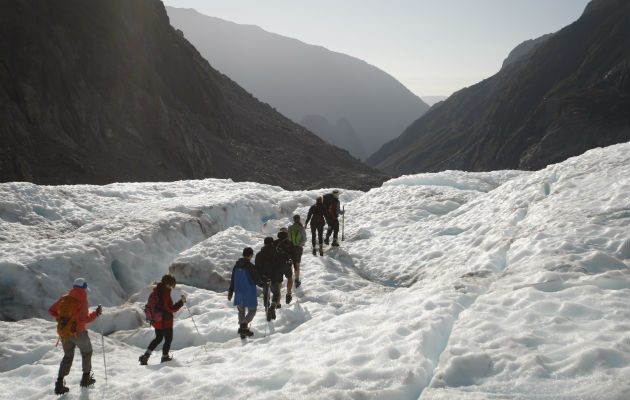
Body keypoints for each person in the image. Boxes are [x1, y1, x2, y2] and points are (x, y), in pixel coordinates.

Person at [49, 277, 103, 395]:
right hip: (79, 333)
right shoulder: (82, 300)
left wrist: (62, 320)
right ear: (84, 288)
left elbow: (51, 310)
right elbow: (84, 320)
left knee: (68, 356)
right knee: (87, 352)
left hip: (64, 333)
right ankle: (85, 380)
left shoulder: (65, 298)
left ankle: (59, 384)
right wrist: (96, 314)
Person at [139, 274, 186, 365]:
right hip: (165, 321)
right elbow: (171, 308)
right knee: (168, 339)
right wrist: (181, 303)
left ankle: (146, 356)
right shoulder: (165, 293)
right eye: (171, 285)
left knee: (158, 338)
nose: (172, 287)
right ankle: (164, 357)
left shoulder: (156, 292)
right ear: (168, 284)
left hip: (156, 321)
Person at [228, 247, 260, 338]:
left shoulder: (236, 266)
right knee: (252, 311)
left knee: (241, 311)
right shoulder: (250, 266)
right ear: (251, 255)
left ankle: (243, 332)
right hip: (249, 292)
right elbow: (257, 279)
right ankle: (244, 326)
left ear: (243, 254)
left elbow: (233, 279)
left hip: (239, 292)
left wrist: (230, 291)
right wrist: (264, 283)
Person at [255, 237, 277, 321]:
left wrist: (260, 278)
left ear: (264, 243)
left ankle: (267, 311)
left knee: (266, 296)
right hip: (274, 278)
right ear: (272, 243)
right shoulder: (276, 252)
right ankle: (273, 306)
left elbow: (257, 267)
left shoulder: (259, 254)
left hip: (264, 278)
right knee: (276, 293)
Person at [273, 227, 294, 306]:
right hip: (287, 264)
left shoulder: (274, 243)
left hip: (277, 265)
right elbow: (293, 254)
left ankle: (277, 301)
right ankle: (288, 293)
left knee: (278, 282)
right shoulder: (289, 242)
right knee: (289, 278)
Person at [288, 215, 307, 287]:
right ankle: (297, 279)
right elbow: (304, 239)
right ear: (299, 219)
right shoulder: (301, 228)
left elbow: (289, 238)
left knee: (291, 263)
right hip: (298, 248)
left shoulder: (290, 228)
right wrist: (300, 244)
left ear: (293, 220)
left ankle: (290, 278)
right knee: (297, 264)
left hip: (290, 248)